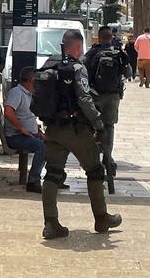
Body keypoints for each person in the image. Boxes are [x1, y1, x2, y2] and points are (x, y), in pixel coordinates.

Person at [38, 29, 122, 239]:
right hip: (76, 130)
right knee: (94, 171)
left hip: (53, 128)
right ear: (77, 47)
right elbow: (84, 99)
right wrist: (99, 124)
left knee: (52, 174)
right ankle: (101, 218)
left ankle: (51, 223)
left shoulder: (50, 65)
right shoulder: (77, 68)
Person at [83, 26, 132, 186]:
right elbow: (129, 74)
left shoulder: (93, 52)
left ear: (99, 37)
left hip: (95, 95)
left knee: (94, 127)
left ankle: (95, 158)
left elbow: (84, 72)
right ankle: (108, 156)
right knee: (109, 126)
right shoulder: (119, 53)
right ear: (111, 37)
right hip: (113, 97)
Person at [3, 66, 46, 193]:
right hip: (16, 136)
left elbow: (29, 116)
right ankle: (33, 181)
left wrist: (38, 132)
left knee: (54, 144)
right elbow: (8, 111)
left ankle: (55, 179)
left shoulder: (29, 95)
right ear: (31, 80)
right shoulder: (17, 93)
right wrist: (21, 128)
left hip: (29, 134)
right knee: (41, 147)